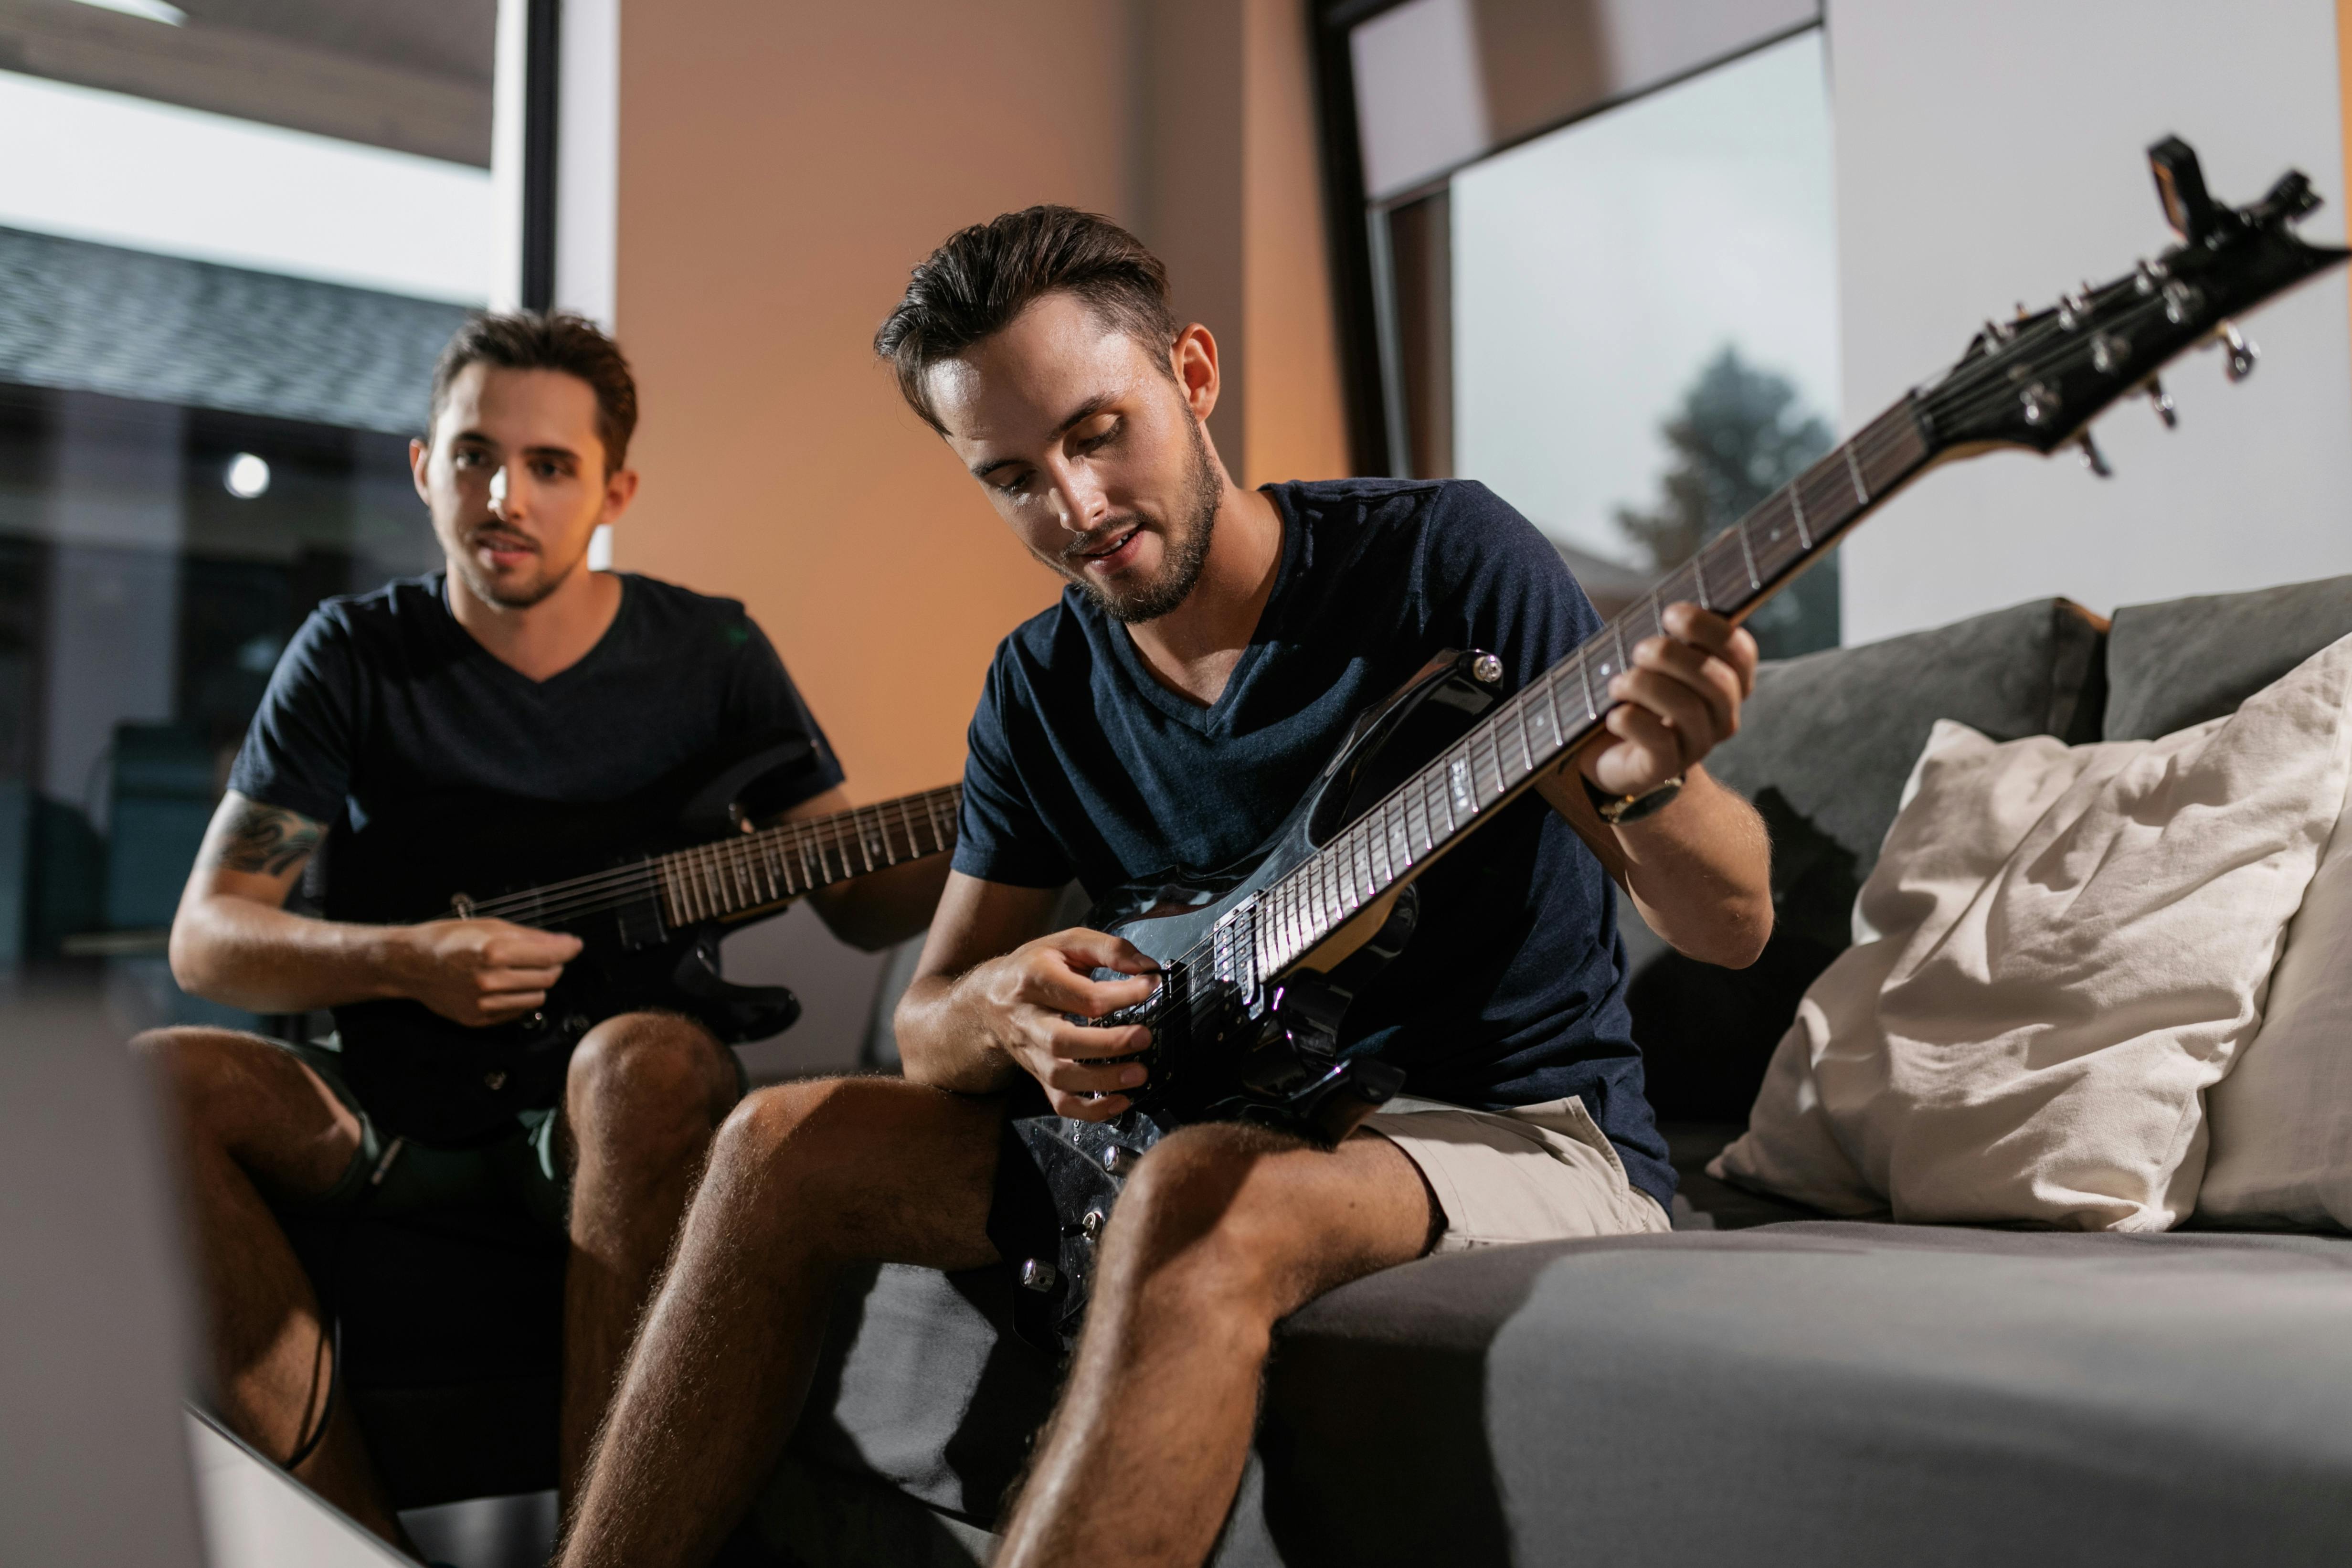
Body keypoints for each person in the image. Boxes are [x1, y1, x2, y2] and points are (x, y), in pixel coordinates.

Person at [558, 210, 1773, 1568]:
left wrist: (1658, 781)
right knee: (778, 1141)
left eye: (1096, 432)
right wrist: (1007, 1008)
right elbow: (929, 1020)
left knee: (1199, 1200)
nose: (1074, 509)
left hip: (1513, 1131)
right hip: (1201, 1108)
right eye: (1012, 477)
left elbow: (1731, 924)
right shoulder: (1039, 686)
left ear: (1193, 373)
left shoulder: (1447, 562)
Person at [138, 311, 946, 1554]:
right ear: (424, 468)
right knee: (157, 1085)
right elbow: (210, 935)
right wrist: (406, 957)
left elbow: (855, 895)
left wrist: (993, 822)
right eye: (473, 456)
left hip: (606, 1105)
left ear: (613, 487)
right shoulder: (353, 653)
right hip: (391, 1101)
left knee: (645, 1059)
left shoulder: (711, 647)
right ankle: (359, 1545)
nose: (503, 494)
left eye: (550, 465)